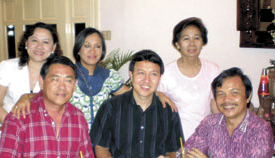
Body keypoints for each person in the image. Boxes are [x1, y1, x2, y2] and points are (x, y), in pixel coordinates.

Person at [13, 27, 176, 128]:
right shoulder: (69, 73)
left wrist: (157, 94)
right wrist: (26, 96)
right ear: (78, 49)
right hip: (72, 135)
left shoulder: (109, 76)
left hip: (102, 140)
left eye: (97, 46)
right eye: (87, 46)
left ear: (102, 51)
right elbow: (50, 95)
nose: (93, 51)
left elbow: (133, 94)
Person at [90, 50, 184, 158]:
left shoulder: (169, 110)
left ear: (160, 77)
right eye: (141, 73)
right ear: (131, 75)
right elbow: (100, 147)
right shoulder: (110, 107)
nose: (147, 80)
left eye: (153, 74)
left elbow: (176, 150)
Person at [0, 56, 94, 158]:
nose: (62, 87)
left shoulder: (78, 117)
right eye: (55, 79)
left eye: (68, 81)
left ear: (75, 85)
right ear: (41, 82)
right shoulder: (19, 116)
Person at [178, 67, 274, 158]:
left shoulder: (261, 130)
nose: (227, 100)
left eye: (234, 93)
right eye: (221, 94)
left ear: (248, 97)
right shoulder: (210, 123)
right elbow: (185, 152)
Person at [0, 22, 62, 131]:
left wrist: (28, 96)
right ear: (26, 43)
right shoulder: (7, 67)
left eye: (45, 42)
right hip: (8, 131)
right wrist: (16, 129)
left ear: (53, 47)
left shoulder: (59, 73)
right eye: (34, 40)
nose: (39, 46)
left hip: (43, 134)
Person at [157, 17, 220, 140]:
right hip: (176, 140)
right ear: (177, 44)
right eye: (186, 38)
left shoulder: (213, 70)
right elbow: (156, 103)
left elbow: (216, 105)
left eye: (196, 38)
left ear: (203, 42)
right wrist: (158, 94)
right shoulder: (166, 73)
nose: (192, 43)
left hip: (206, 138)